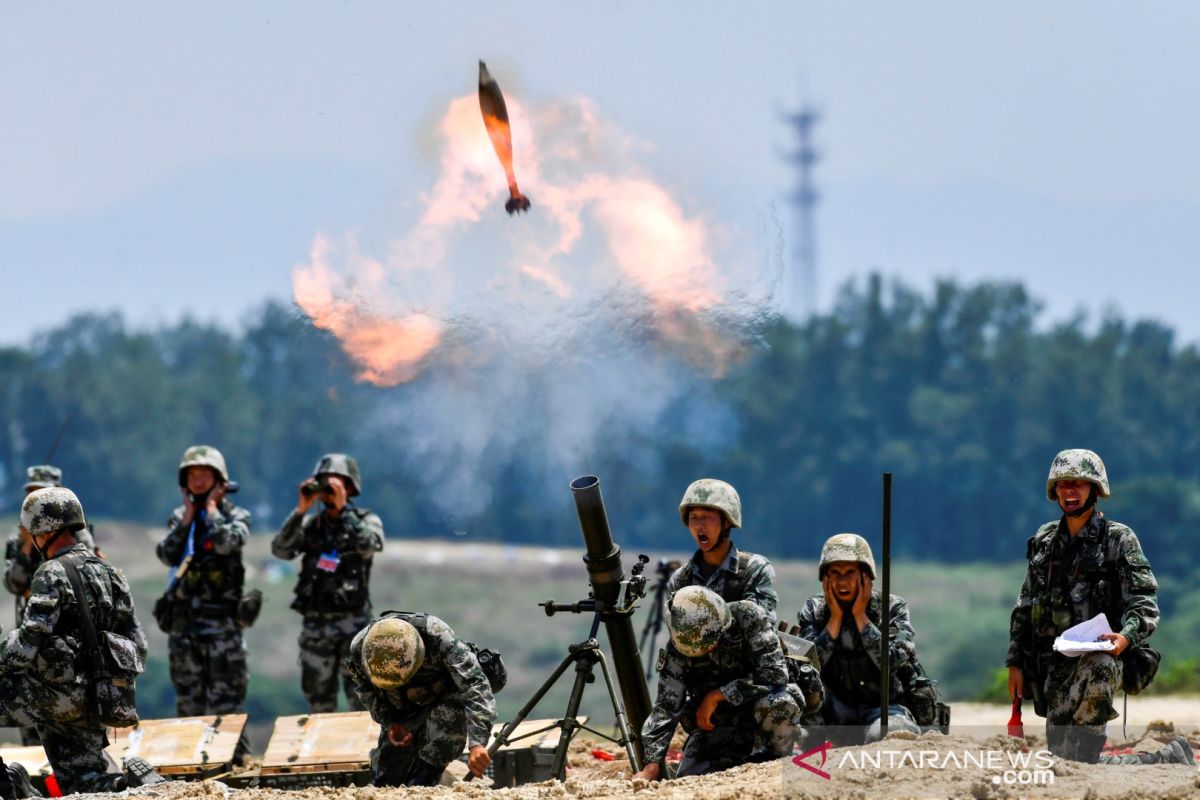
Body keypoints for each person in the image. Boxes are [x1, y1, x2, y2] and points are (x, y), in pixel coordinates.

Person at [1006, 449, 1192, 764]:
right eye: (1064, 484)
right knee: (1069, 760)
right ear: (1055, 491)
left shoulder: (1118, 539)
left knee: (1098, 667)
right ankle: (1167, 760)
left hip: (1104, 661)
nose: (1070, 491)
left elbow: (1144, 600)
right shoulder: (1045, 541)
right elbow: (1025, 605)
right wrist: (1015, 661)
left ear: (1095, 489)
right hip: (1055, 664)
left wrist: (1126, 637)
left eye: (1079, 483)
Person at [0, 488, 156, 793]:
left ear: (43, 532)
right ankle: (127, 785)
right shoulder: (112, 573)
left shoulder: (51, 573)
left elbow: (27, 646)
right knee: (82, 781)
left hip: (59, 696)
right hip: (106, 699)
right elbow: (139, 645)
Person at [633, 586, 805, 780]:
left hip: (760, 711)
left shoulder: (748, 616)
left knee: (779, 702)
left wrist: (717, 695)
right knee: (689, 778)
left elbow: (775, 674)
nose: (707, 652)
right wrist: (651, 766)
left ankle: (781, 757)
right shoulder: (677, 650)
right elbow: (666, 708)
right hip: (717, 723)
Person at [796, 533, 943, 744]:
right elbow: (808, 666)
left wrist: (860, 617)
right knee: (799, 730)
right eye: (835, 573)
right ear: (825, 578)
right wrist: (835, 619)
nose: (842, 581)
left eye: (850, 573)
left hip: (884, 707)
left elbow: (892, 660)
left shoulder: (892, 608)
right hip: (835, 711)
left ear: (865, 577)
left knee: (889, 735)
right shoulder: (815, 610)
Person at [273, 453, 384, 712]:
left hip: (353, 625)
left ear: (349, 487)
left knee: (362, 699)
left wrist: (344, 510)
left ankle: (363, 752)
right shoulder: (312, 525)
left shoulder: (365, 520)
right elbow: (281, 549)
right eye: (323, 483)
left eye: (335, 484)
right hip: (316, 626)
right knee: (318, 701)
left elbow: (371, 543)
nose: (328, 490)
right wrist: (301, 508)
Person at [3, 465, 100, 746]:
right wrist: (26, 544)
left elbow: (87, 571)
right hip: (33, 627)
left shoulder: (75, 538)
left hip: (68, 639)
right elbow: (12, 582)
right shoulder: (20, 538)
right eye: (32, 493)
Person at [155, 445, 252, 716]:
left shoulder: (235, 516)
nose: (197, 481)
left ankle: (233, 759)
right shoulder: (180, 517)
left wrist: (211, 510)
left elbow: (227, 543)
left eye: (204, 475)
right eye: (192, 475)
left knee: (228, 706)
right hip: (185, 629)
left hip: (223, 627)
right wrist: (187, 518)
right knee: (188, 704)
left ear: (220, 480)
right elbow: (166, 554)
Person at [346, 613, 495, 786]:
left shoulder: (438, 636)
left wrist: (477, 743)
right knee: (386, 778)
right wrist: (391, 722)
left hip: (444, 695)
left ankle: (428, 779)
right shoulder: (359, 649)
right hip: (401, 706)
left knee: (439, 747)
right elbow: (367, 693)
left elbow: (475, 684)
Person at [665, 479, 778, 622]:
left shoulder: (754, 570)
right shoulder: (681, 579)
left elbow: (761, 627)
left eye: (707, 517)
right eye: (693, 517)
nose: (699, 525)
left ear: (726, 522)